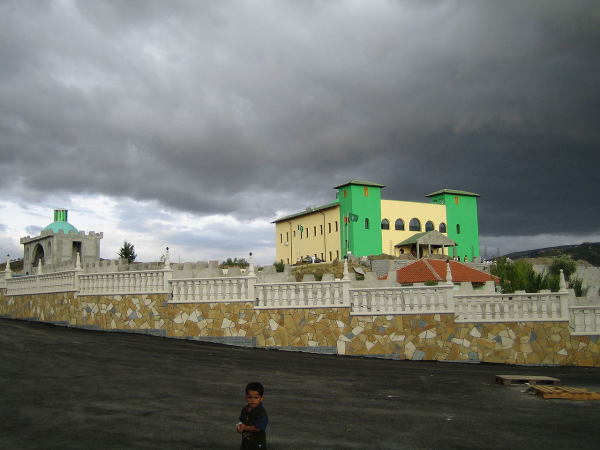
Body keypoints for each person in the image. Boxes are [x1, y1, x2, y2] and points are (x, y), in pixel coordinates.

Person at [236, 382, 268, 449]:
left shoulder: (261, 413)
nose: (253, 400)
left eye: (256, 397)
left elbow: (258, 428)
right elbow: (241, 421)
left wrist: (245, 428)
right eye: (250, 397)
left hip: (257, 445)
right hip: (246, 444)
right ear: (246, 397)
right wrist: (239, 426)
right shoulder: (244, 410)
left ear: (261, 398)